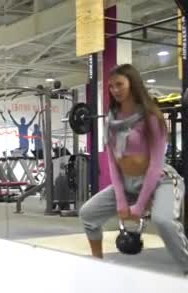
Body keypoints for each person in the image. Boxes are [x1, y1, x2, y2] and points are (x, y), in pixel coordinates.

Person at [79, 63, 188, 273]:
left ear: (132, 84)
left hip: (160, 180)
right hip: (128, 183)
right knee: (88, 214)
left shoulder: (151, 118)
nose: (114, 90)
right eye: (111, 86)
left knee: (163, 221)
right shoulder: (111, 120)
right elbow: (113, 162)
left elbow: (156, 163)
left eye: (119, 84)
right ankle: (97, 266)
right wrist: (121, 199)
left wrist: (139, 207)